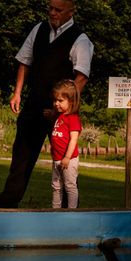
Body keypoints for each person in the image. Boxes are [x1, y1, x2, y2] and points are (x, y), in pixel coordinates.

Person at [0, 0, 93, 208]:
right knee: (21, 155)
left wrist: (63, 107)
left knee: (64, 160)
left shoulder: (80, 39)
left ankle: (69, 210)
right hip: (34, 103)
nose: (53, 13)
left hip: (62, 111)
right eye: (51, 8)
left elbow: (81, 77)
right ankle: (7, 202)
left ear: (70, 12)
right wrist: (17, 92)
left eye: (58, 10)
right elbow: (24, 61)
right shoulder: (39, 29)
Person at [49, 80, 82, 209]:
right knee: (56, 186)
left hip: (68, 160)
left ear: (71, 102)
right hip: (57, 159)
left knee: (70, 186)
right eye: (55, 100)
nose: (56, 103)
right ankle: (55, 210)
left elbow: (73, 139)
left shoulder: (73, 118)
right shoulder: (60, 116)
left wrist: (67, 157)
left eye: (60, 101)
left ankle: (72, 211)